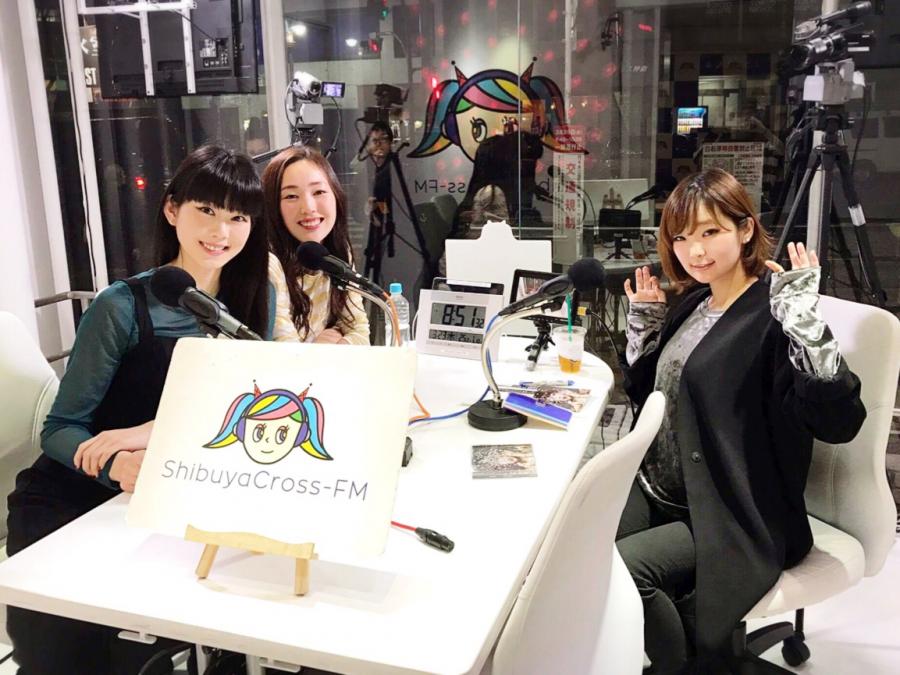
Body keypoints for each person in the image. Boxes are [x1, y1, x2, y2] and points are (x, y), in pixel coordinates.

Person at [6, 145, 273, 675]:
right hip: (75, 500)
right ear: (172, 210)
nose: (221, 231)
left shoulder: (251, 297)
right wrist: (115, 464)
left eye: (238, 217)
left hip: (177, 495)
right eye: (206, 210)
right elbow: (59, 428)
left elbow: (242, 410)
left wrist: (155, 431)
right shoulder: (121, 305)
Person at [615, 168, 866, 673]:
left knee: (626, 572)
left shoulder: (772, 314)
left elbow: (838, 422)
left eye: (711, 232)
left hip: (731, 508)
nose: (695, 251)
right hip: (664, 490)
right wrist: (645, 323)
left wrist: (806, 326)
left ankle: (692, 665)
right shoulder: (695, 300)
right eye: (681, 237)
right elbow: (653, 397)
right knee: (576, 542)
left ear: (745, 229)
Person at [263, 146, 370, 345]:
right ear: (272, 206)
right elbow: (288, 355)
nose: (309, 208)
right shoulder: (268, 264)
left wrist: (340, 344)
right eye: (291, 196)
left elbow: (360, 328)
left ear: (336, 195)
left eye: (319, 192)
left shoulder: (336, 252)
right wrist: (319, 347)